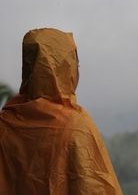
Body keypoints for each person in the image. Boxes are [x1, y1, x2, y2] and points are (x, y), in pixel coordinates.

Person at [0, 28, 123, 195]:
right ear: (65, 67)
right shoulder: (76, 126)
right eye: (75, 63)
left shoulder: (5, 124)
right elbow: (96, 187)